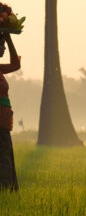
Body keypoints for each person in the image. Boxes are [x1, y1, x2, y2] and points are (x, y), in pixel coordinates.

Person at [0, 32, 21, 192]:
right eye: (1, 45)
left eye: (3, 45)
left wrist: (9, 37)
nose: (3, 49)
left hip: (4, 121)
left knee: (5, 156)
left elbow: (16, 64)